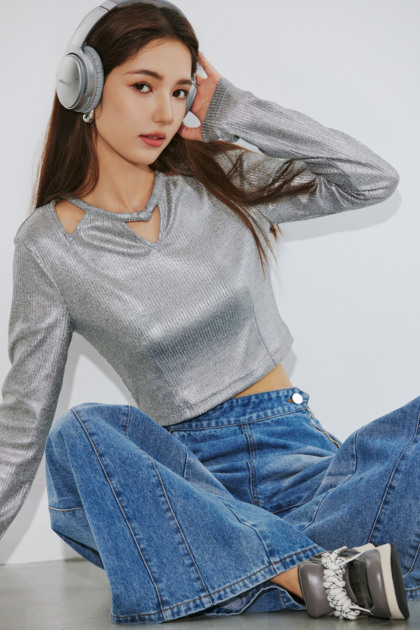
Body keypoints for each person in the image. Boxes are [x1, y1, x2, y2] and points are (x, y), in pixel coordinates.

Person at [0, 0, 418, 624]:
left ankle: (253, 571)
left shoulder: (216, 179)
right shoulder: (48, 246)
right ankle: (309, 575)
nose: (165, 113)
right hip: (183, 487)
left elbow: (370, 180)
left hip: (304, 474)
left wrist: (235, 110)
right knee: (79, 433)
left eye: (180, 91)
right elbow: (22, 422)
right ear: (83, 88)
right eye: (143, 86)